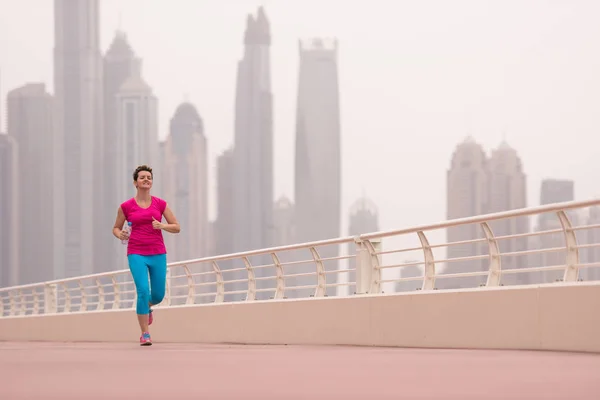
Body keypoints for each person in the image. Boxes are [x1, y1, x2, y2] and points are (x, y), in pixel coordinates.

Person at [112, 165, 180, 346]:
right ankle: (145, 334)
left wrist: (162, 226)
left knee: (157, 295)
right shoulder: (126, 207)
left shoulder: (160, 204)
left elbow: (176, 227)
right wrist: (121, 234)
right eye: (142, 177)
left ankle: (148, 307)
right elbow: (116, 228)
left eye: (149, 177)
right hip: (136, 252)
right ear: (135, 182)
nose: (146, 180)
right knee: (142, 291)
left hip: (157, 252)